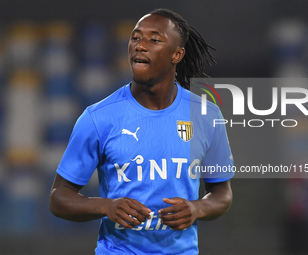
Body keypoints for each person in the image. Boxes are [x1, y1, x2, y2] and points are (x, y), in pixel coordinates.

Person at [49, 8, 234, 255]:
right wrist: (106, 206)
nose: (140, 46)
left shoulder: (206, 115)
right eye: (136, 38)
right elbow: (59, 197)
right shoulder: (98, 117)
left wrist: (197, 208)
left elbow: (222, 192)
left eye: (154, 39)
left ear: (177, 54)